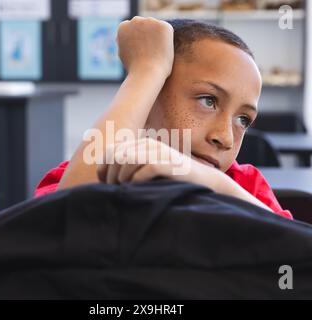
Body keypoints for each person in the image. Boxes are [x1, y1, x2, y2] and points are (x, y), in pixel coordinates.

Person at [35, 17, 292, 220]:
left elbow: (300, 258)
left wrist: (212, 182)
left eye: (243, 120)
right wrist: (148, 69)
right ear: (148, 95)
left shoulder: (245, 185)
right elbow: (69, 223)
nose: (225, 137)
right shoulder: (78, 174)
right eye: (208, 100)